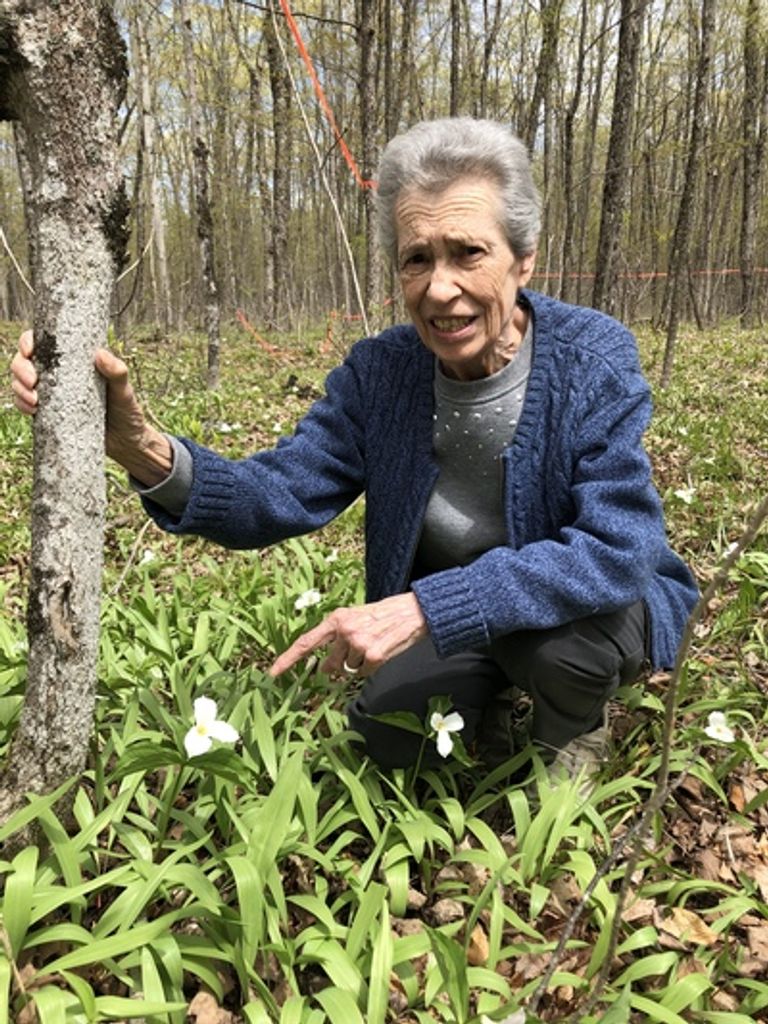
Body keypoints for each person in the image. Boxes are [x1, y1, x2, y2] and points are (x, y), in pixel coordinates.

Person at [11, 117, 698, 781]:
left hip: (579, 611)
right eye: (416, 258)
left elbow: (621, 549)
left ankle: (571, 729)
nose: (439, 288)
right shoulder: (382, 374)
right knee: (388, 737)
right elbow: (276, 494)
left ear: (523, 258)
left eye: (469, 252)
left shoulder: (592, 358)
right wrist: (143, 449)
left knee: (562, 656)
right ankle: (481, 698)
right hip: (457, 612)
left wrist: (428, 607)